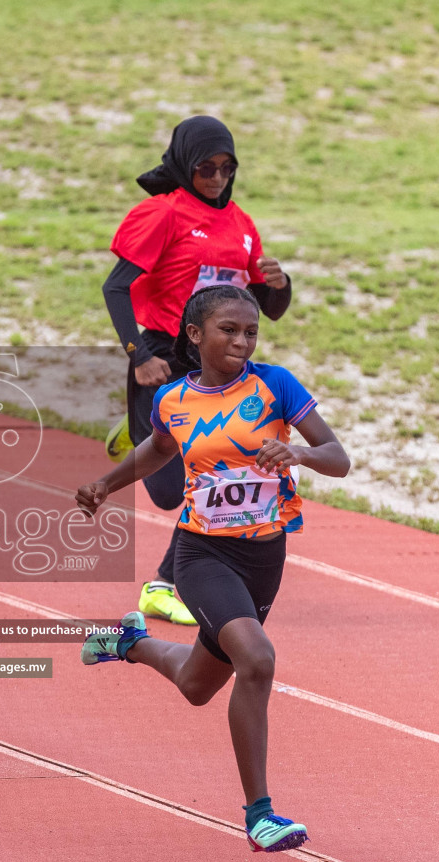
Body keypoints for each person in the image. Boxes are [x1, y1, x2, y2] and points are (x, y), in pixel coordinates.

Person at [76, 285, 349, 853]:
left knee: (197, 685)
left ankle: (128, 642)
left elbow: (338, 459)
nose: (243, 341)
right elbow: (158, 449)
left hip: (264, 556)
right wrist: (105, 484)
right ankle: (261, 816)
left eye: (251, 331)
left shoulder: (276, 385)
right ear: (195, 336)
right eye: (229, 330)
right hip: (201, 554)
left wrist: (298, 454)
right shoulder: (173, 399)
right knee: (258, 657)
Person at [101, 115, 293, 626]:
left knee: (211, 468)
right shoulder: (162, 215)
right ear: (185, 165)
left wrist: (281, 282)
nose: (217, 177)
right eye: (206, 167)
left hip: (219, 363)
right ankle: (137, 429)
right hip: (164, 355)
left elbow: (267, 308)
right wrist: (138, 354)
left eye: (227, 167)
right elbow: (114, 288)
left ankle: (164, 583)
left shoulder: (242, 225)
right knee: (167, 493)